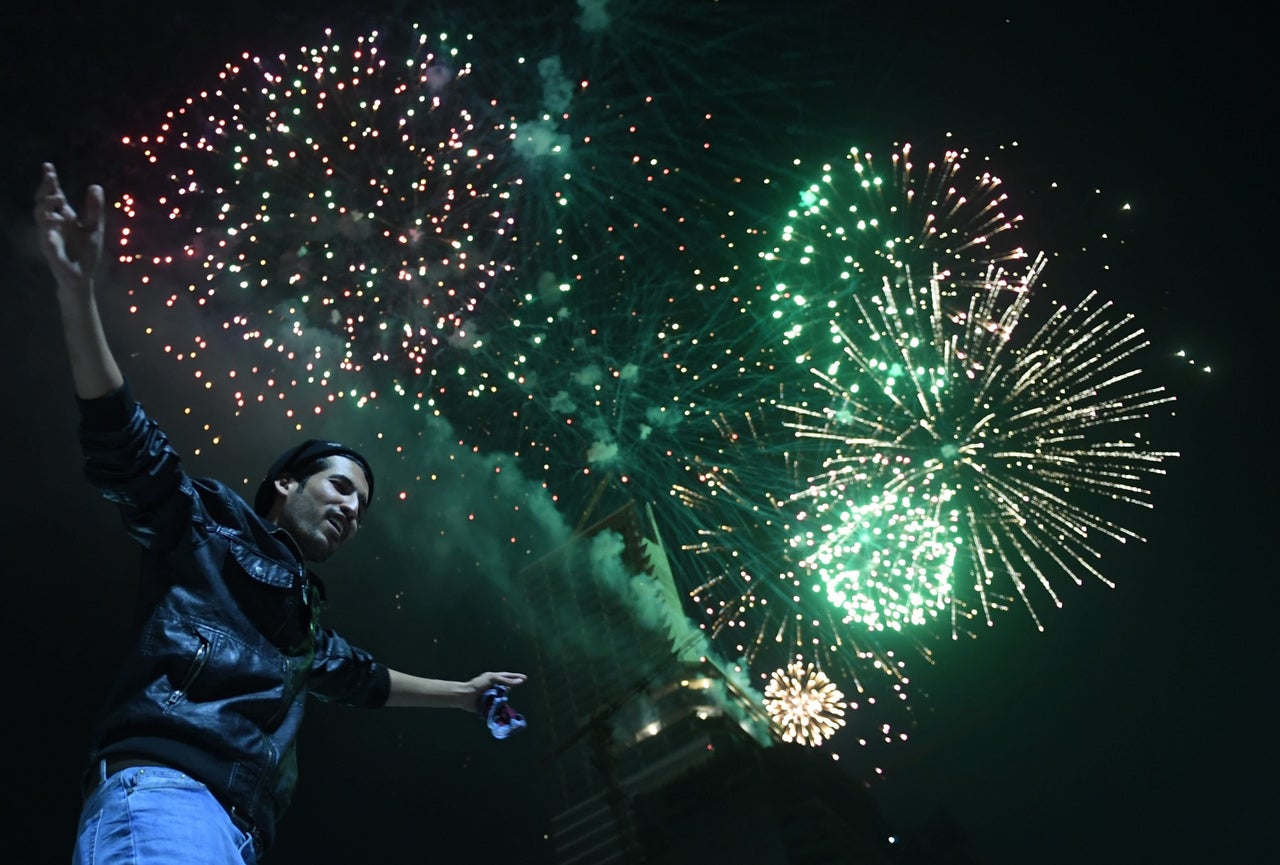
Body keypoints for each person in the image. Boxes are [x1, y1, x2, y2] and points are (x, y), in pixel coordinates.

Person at [34, 162, 529, 864]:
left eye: (362, 504)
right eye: (339, 486)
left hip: (237, 829)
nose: (353, 508)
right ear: (285, 484)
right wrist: (76, 292)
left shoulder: (301, 617)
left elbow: (364, 678)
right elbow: (123, 443)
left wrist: (467, 695)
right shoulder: (204, 524)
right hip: (167, 793)